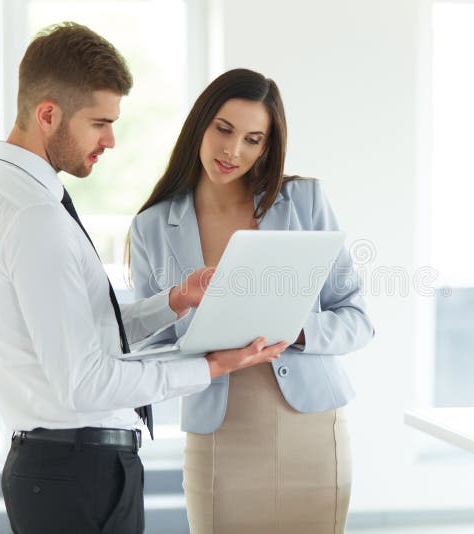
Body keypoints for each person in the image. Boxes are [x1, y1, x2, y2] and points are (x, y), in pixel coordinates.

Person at [0, 25, 287, 534]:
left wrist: (173, 301)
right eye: (99, 123)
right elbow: (85, 382)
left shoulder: (6, 196)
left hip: (63, 470)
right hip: (80, 474)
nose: (111, 141)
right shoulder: (35, 218)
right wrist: (211, 368)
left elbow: (83, 333)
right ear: (48, 115)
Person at [127, 68, 375, 533]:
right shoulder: (153, 227)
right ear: (199, 123)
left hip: (313, 430)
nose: (233, 151)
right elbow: (144, 342)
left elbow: (357, 317)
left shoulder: (302, 200)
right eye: (224, 129)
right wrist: (186, 311)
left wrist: (296, 330)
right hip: (221, 430)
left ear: (267, 146)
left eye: (253, 139)